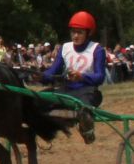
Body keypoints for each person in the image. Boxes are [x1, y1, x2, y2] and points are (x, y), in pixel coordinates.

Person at [40, 10, 107, 143]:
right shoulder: (65, 48)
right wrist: (40, 76)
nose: (75, 36)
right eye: (73, 32)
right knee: (36, 100)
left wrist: (81, 77)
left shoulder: (97, 50)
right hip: (66, 91)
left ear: (88, 33)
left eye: (80, 32)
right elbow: (53, 71)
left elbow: (100, 77)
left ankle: (87, 130)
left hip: (87, 92)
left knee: (84, 110)